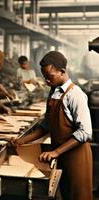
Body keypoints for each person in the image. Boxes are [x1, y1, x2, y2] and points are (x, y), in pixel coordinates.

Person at [10, 51, 93, 200]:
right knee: (64, 193)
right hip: (61, 155)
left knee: (78, 195)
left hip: (76, 157)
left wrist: (56, 152)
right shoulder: (54, 92)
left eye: (50, 76)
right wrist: (23, 140)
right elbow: (46, 125)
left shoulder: (75, 95)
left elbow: (85, 132)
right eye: (45, 77)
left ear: (62, 72)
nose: (47, 81)